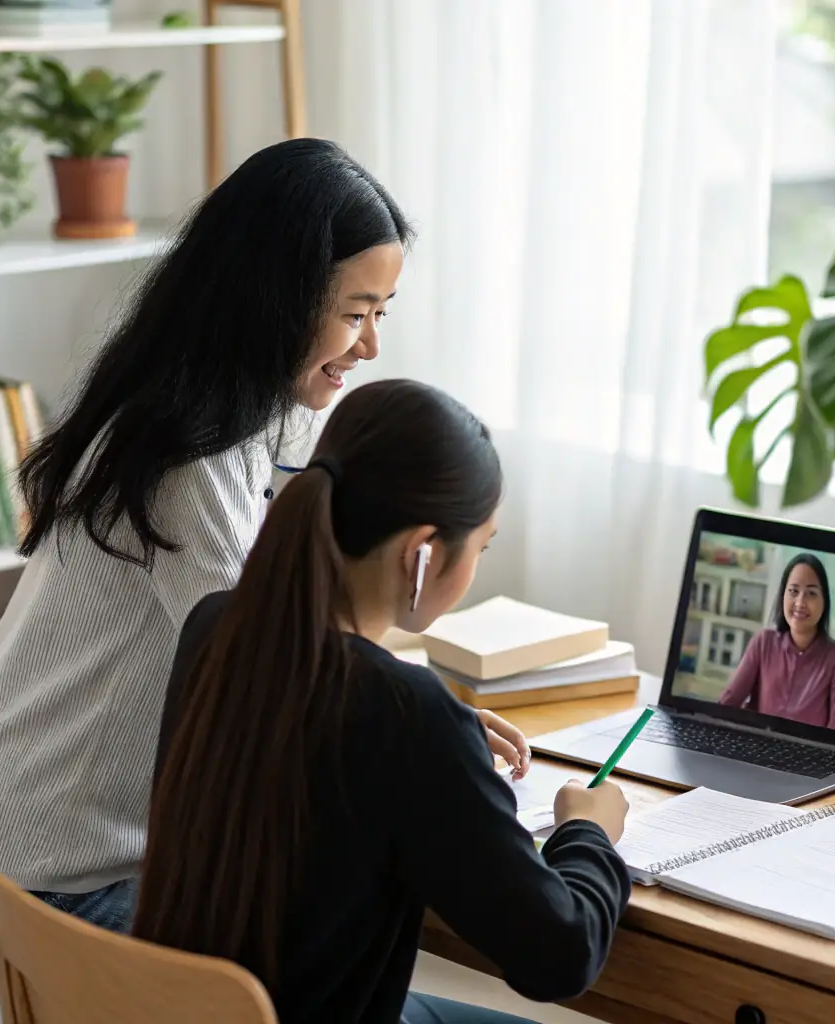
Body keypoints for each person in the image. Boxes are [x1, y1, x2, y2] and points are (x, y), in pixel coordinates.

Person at [0, 138, 422, 930]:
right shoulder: (194, 456)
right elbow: (267, 664)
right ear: (279, 302)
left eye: (379, 314)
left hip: (33, 844)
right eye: (355, 315)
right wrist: (426, 723)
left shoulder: (186, 409)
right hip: (65, 875)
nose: (370, 346)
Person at [131, 379, 632, 1024]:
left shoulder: (216, 628)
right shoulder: (403, 714)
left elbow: (320, 732)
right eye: (482, 545)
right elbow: (561, 955)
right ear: (421, 555)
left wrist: (440, 733)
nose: (477, 562)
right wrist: (588, 831)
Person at [718, 552, 835, 732]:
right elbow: (727, 704)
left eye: (811, 593)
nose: (800, 602)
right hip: (756, 750)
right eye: (793, 591)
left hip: (807, 758)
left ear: (824, 602)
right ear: (783, 595)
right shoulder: (763, 642)